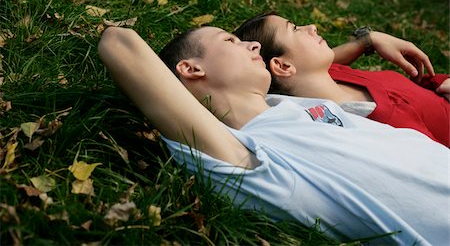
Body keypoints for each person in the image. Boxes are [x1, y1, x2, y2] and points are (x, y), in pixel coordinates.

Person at [98, 25, 449, 245]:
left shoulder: (290, 104)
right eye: (232, 40)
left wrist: (367, 39)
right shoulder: (244, 152)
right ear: (191, 69)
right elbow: (119, 42)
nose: (254, 47)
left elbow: (306, 64)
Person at [234, 12, 450, 146]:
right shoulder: (376, 124)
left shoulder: (330, 74)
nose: (311, 27)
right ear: (283, 66)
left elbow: (301, 69)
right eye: (295, 29)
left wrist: (369, 40)